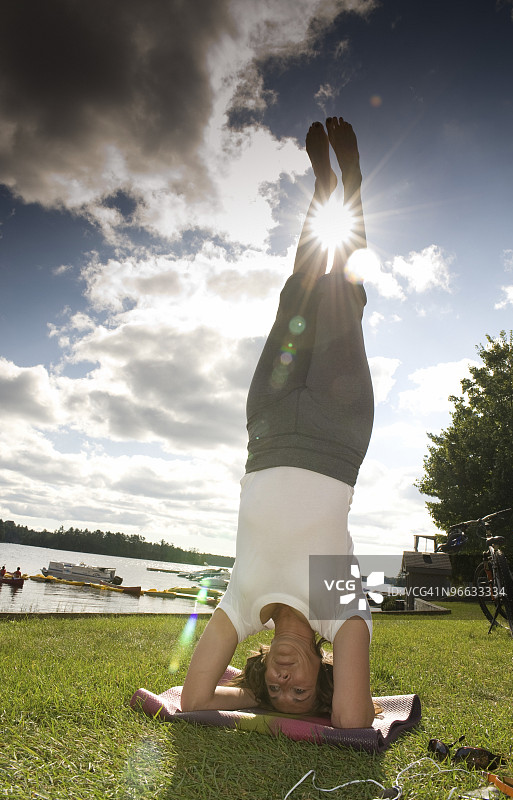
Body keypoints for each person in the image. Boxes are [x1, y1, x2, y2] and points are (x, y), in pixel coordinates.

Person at [181, 117, 375, 728]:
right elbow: (350, 722)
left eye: (279, 688)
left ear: (264, 668)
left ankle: (323, 186)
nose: (289, 684)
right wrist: (320, 703)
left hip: (266, 428)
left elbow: (194, 700)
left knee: (298, 293)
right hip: (334, 430)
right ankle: (354, 183)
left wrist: (254, 698)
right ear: (325, 666)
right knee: (342, 289)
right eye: (300, 691)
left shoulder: (244, 604)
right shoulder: (336, 605)